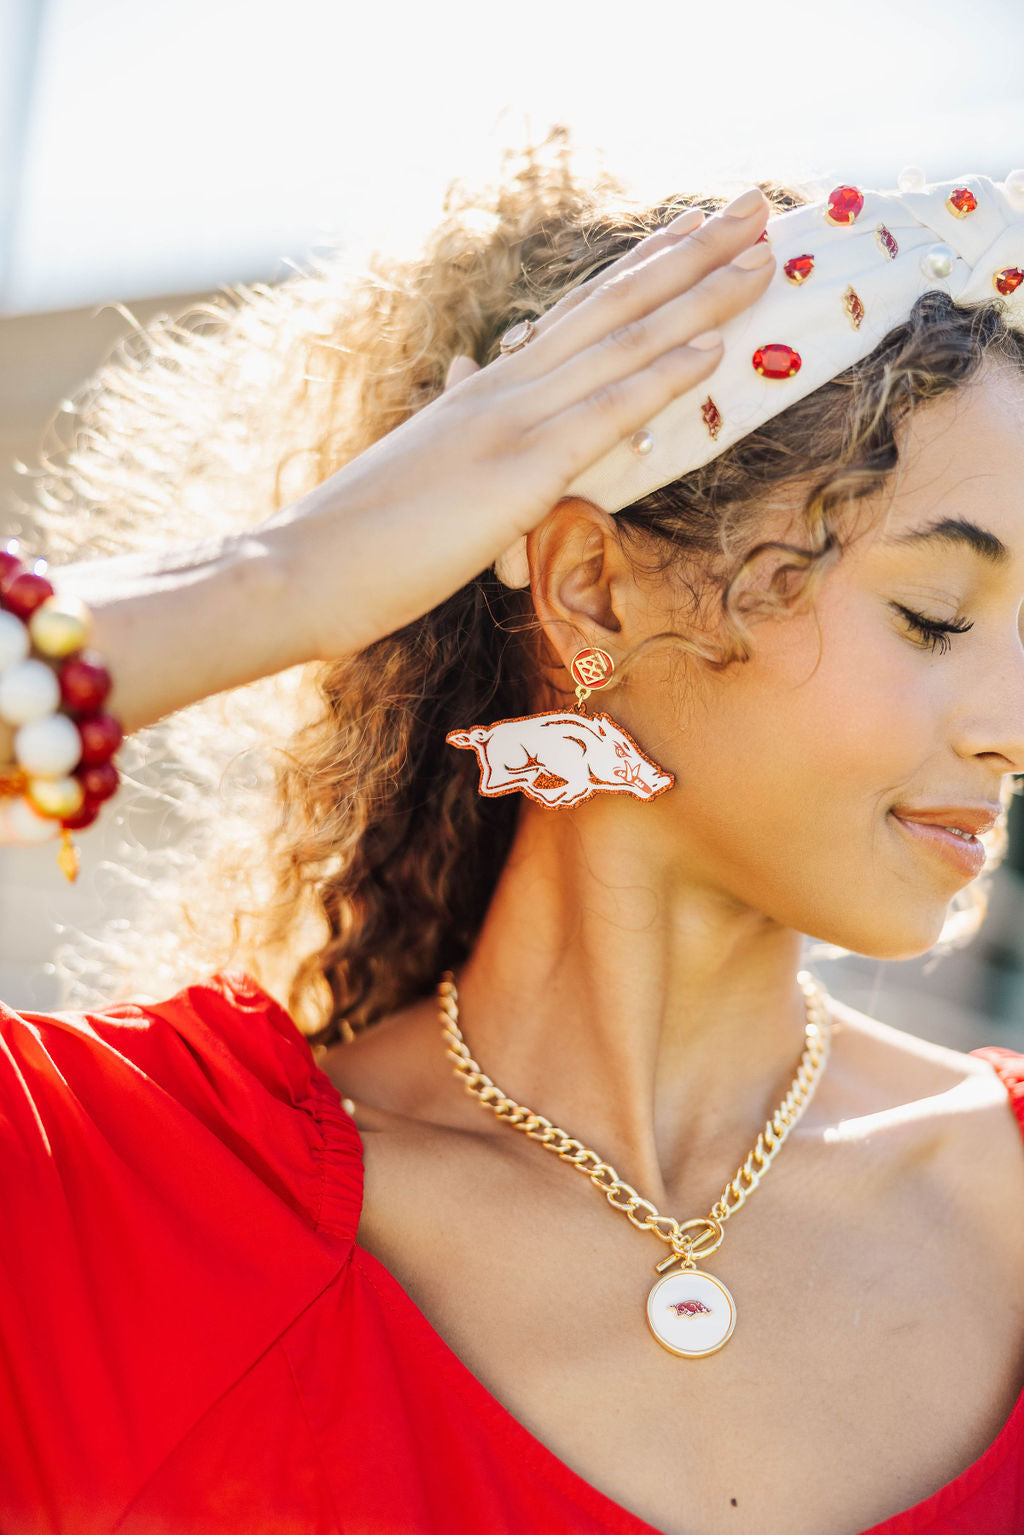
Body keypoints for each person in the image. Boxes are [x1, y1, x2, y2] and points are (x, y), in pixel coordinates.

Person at [1, 136, 1023, 1534]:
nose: (1013, 728)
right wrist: (275, 579)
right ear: (593, 591)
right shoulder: (133, 1212)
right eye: (940, 618)